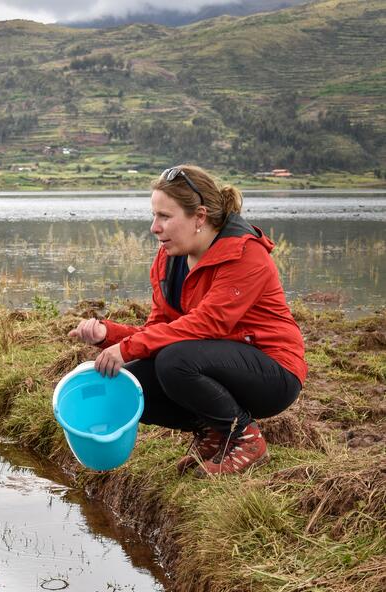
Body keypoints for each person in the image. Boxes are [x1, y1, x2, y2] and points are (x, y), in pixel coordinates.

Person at [69, 165, 306, 476]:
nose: (154, 227)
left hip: (273, 372)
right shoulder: (169, 260)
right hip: (217, 363)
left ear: (200, 217)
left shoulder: (245, 254)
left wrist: (126, 348)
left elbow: (208, 324)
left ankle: (246, 439)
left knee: (174, 360)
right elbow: (158, 331)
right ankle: (213, 432)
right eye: (154, 216)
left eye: (165, 217)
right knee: (132, 382)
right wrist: (108, 334)